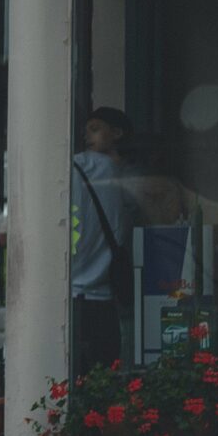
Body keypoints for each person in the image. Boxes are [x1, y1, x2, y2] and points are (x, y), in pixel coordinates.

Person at [70, 106, 135, 373]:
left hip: (76, 295)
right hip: (106, 298)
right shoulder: (126, 176)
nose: (87, 136)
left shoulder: (83, 165)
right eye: (86, 131)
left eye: (95, 129)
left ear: (116, 133)